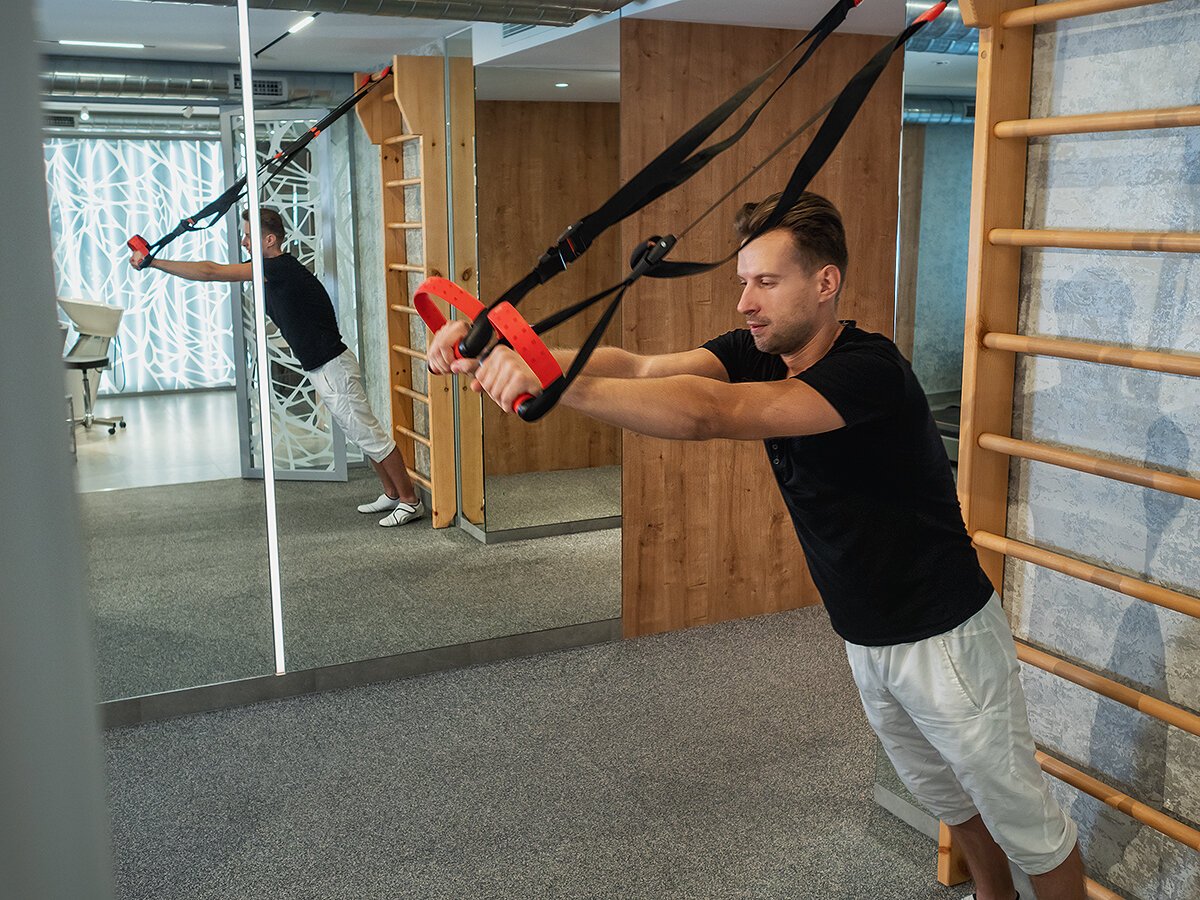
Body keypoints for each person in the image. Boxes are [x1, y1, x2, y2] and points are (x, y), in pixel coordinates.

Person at [429, 192, 1087, 900]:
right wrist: (505, 353)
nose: (745, 301)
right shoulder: (760, 350)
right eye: (744, 280)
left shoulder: (870, 372)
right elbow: (643, 370)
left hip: (945, 639)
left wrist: (554, 386)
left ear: (825, 282)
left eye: (766, 282)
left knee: (1025, 823)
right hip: (867, 636)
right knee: (945, 797)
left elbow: (710, 413)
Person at [130, 208, 423, 528]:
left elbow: (211, 271)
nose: (243, 242)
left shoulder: (278, 268)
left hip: (333, 367)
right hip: (323, 368)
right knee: (359, 433)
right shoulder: (273, 270)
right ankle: (392, 493)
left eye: (248, 236)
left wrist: (154, 262)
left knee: (369, 435)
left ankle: (410, 501)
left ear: (269, 240)